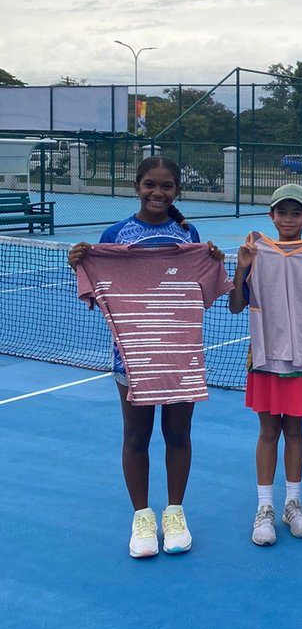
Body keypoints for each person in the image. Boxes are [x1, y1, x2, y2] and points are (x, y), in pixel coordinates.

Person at [67, 156, 228, 559]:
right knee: (136, 437)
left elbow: (205, 294)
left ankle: (175, 513)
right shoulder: (115, 234)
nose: (158, 193)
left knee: (178, 435)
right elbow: (95, 287)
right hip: (132, 357)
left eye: (166, 186)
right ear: (137, 186)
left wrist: (213, 259)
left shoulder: (189, 235)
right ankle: (142, 517)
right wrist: (80, 260)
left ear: (177, 191)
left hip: (179, 353)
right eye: (150, 185)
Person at [229, 184, 302, 546]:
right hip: (265, 357)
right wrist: (241, 269)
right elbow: (235, 305)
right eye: (282, 211)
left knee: (295, 432)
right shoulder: (254, 250)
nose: (288, 218)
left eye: (296, 212)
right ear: (271, 216)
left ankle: (293, 503)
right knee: (267, 432)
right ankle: (265, 509)